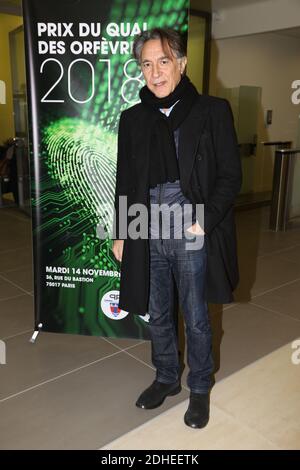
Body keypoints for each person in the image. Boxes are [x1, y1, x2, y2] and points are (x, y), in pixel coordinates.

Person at [112, 27, 242, 429]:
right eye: (146, 64)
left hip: (190, 228)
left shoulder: (212, 111)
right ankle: (166, 377)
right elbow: (124, 178)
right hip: (145, 227)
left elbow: (230, 177)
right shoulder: (132, 118)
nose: (155, 72)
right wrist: (121, 231)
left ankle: (199, 386)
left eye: (163, 61)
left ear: (182, 64)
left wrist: (204, 220)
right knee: (158, 312)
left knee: (197, 313)